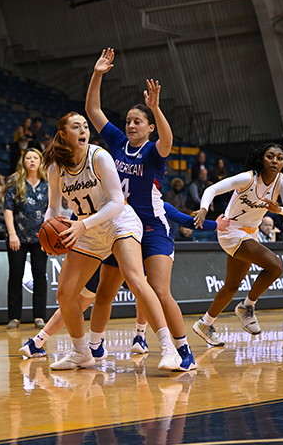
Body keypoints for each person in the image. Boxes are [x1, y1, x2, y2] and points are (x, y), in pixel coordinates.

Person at [42, 110, 182, 372]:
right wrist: (48, 228)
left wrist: (82, 224)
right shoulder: (55, 168)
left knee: (135, 278)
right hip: (88, 228)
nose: (84, 130)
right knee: (65, 293)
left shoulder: (100, 156)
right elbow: (53, 208)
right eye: (76, 127)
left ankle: (168, 349)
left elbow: (118, 203)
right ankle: (81, 352)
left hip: (119, 221)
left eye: (85, 126)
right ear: (63, 135)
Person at [85, 48, 196, 370]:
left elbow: (168, 140)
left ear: (149, 127)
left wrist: (156, 109)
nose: (131, 125)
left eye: (138, 122)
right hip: (120, 227)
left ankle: (183, 351)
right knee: (104, 291)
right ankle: (93, 348)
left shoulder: (152, 152)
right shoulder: (118, 143)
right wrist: (98, 74)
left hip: (152, 228)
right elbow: (93, 109)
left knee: (160, 290)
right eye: (129, 121)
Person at [19, 202, 228, 359]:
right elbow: (77, 216)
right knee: (96, 297)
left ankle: (138, 335)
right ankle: (56, 342)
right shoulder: (100, 194)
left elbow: (184, 219)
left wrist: (215, 224)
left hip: (129, 243)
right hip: (106, 247)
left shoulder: (151, 200)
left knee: (137, 291)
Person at [192, 142, 283, 347]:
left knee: (232, 285)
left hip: (251, 233)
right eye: (270, 156)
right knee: (276, 266)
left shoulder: (281, 181)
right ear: (262, 159)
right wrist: (204, 209)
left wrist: (279, 210)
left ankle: (205, 323)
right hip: (230, 230)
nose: (275, 161)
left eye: (279, 158)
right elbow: (212, 189)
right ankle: (247, 307)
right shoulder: (248, 178)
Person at [3, 148, 48, 330]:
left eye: (35, 158)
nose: (31, 160)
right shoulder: (14, 180)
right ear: (23, 161)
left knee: (40, 275)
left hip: (41, 237)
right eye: (28, 158)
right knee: (15, 275)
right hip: (18, 237)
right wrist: (12, 233)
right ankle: (14, 317)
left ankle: (39, 316)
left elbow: (52, 208)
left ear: (40, 161)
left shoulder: (48, 182)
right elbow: (8, 209)